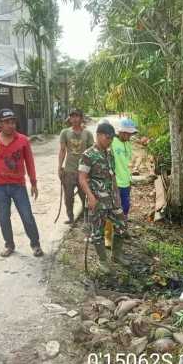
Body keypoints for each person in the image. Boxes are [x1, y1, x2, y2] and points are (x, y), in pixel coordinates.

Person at [0, 108, 43, 258]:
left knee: (27, 215)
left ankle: (35, 245)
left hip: (18, 186)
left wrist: (33, 183)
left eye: (13, 122)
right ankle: (9, 244)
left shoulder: (22, 140)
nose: (11, 125)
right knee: (3, 217)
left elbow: (30, 162)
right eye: (7, 122)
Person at [78, 122, 129, 273]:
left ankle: (116, 255)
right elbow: (82, 178)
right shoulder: (88, 155)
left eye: (112, 138)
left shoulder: (109, 153)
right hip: (98, 200)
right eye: (108, 138)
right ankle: (103, 261)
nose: (110, 141)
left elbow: (112, 177)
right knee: (97, 232)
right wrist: (90, 197)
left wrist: (117, 196)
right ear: (99, 135)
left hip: (113, 200)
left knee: (121, 225)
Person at [104, 118, 138, 248]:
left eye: (131, 134)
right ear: (121, 131)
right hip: (114, 182)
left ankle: (121, 230)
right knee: (112, 210)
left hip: (126, 182)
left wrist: (129, 180)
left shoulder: (128, 144)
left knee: (125, 207)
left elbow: (127, 163)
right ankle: (107, 236)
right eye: (127, 133)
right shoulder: (112, 142)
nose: (129, 136)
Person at [58, 109, 94, 224]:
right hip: (68, 171)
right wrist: (59, 167)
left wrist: (91, 171)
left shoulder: (87, 134)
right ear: (70, 118)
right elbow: (62, 150)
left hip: (83, 171)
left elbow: (91, 153)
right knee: (68, 197)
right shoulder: (65, 132)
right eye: (72, 116)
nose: (74, 119)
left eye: (77, 116)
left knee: (84, 195)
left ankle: (85, 216)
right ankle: (71, 217)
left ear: (81, 118)